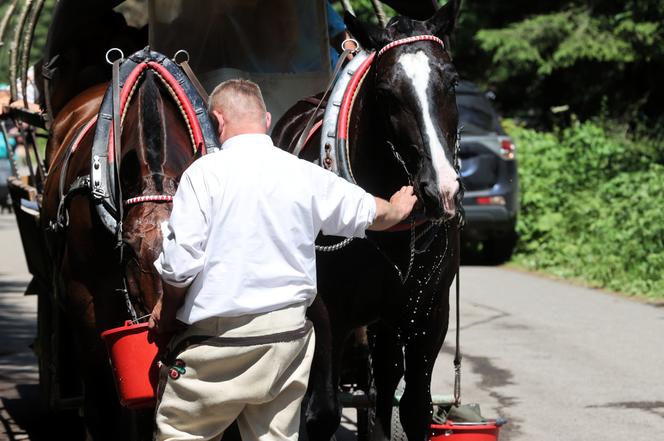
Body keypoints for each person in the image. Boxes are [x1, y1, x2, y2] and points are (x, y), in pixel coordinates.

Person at [149, 79, 417, 441]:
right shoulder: (303, 174)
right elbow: (373, 213)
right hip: (287, 340)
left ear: (217, 120)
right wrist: (399, 208)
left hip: (220, 344)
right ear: (267, 119)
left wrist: (166, 315)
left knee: (180, 434)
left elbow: (180, 266)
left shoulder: (202, 174)